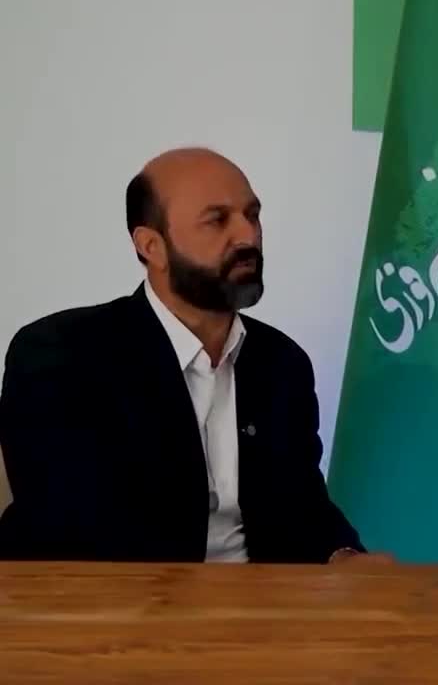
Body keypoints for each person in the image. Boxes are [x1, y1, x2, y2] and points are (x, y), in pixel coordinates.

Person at [0, 147, 389, 565]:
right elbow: (71, 528)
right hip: (112, 600)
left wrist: (344, 559)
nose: (247, 236)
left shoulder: (281, 363)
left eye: (252, 215)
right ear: (152, 246)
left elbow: (302, 507)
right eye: (217, 220)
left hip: (258, 600)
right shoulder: (61, 355)